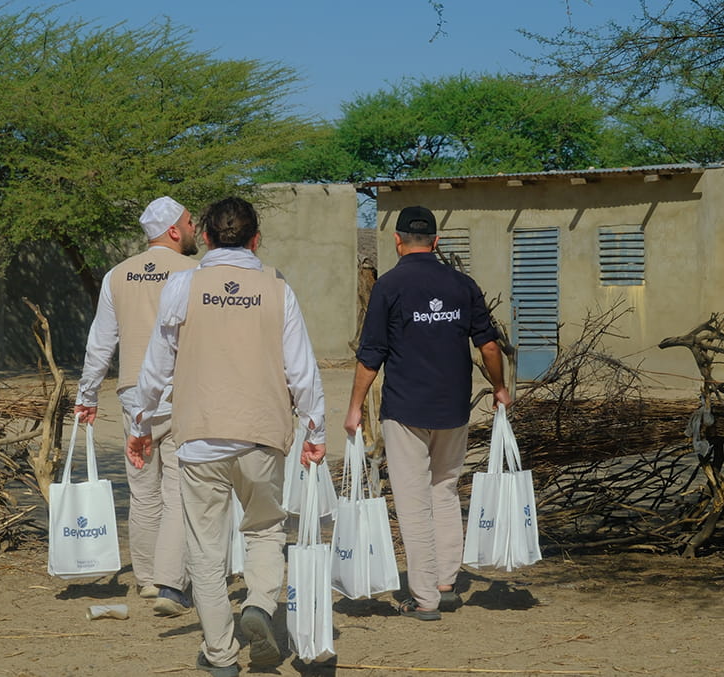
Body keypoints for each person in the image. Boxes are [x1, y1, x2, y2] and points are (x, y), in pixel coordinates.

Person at [127, 196, 326, 677]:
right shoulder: (277, 289)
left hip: (199, 440)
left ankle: (220, 655)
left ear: (208, 239)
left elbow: (155, 366)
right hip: (262, 435)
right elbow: (301, 369)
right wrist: (314, 425)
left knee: (206, 552)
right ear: (256, 239)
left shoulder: (182, 285)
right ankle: (258, 605)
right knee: (265, 530)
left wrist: (139, 424)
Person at [343, 204, 513, 622]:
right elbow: (489, 346)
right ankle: (445, 583)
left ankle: (424, 599)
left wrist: (354, 408)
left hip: (405, 411)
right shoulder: (462, 284)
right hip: (453, 410)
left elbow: (371, 355)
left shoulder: (388, 286)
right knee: (445, 491)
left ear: (398, 242)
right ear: (436, 242)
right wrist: (500, 387)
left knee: (414, 500)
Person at [73, 196, 199, 617]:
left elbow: (100, 342)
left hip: (133, 397)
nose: (195, 227)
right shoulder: (195, 272)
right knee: (178, 489)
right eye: (189, 221)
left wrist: (86, 395)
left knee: (143, 492)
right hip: (182, 392)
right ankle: (170, 581)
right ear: (175, 230)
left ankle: (145, 579)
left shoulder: (116, 275)